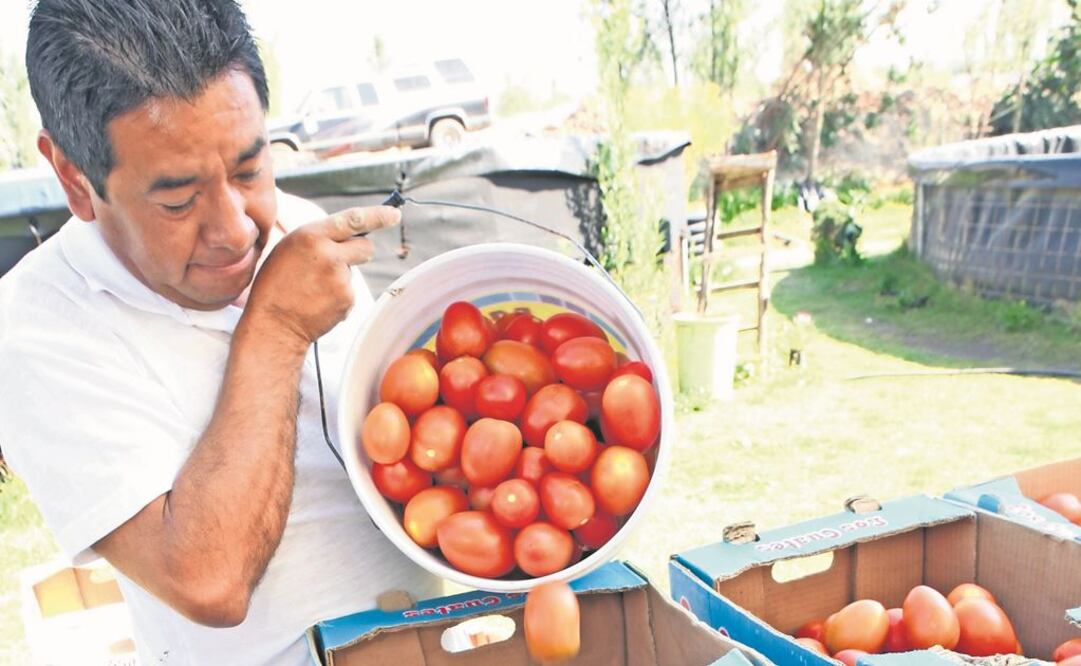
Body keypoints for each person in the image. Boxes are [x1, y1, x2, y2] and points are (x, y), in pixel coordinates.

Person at [0, 1, 441, 663]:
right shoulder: (38, 327)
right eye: (177, 200)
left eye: (249, 169)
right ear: (74, 178)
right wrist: (278, 327)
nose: (236, 229)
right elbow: (206, 580)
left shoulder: (295, 228)